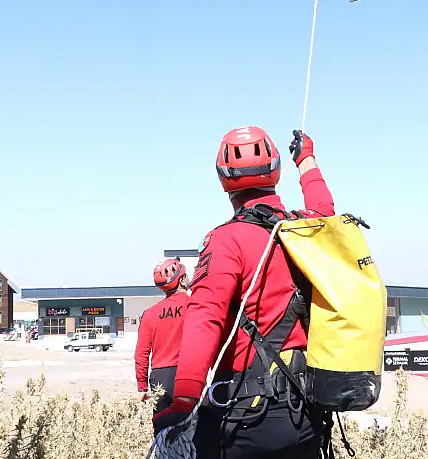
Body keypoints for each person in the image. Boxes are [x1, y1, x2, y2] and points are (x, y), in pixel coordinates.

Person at [154, 127, 335, 459]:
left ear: (223, 179)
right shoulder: (305, 229)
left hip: (249, 417)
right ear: (275, 169)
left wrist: (184, 402)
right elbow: (324, 209)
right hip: (306, 414)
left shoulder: (226, 240)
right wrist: (306, 159)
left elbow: (204, 318)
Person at [135, 257, 190, 429]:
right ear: (182, 280)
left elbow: (141, 354)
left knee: (163, 430)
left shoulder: (150, 313)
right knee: (194, 429)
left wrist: (142, 386)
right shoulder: (194, 305)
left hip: (160, 378)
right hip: (188, 374)